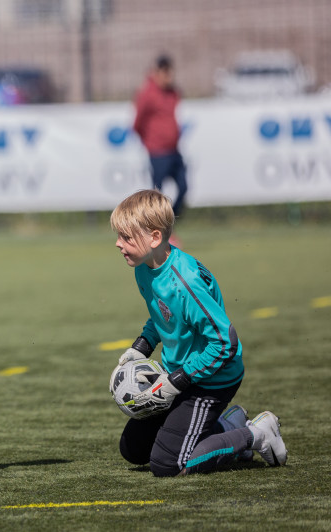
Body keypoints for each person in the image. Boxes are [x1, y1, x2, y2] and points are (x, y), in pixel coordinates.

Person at [110, 189, 287, 476]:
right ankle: (227, 425)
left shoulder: (185, 281)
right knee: (134, 450)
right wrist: (142, 345)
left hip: (211, 380)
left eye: (127, 237)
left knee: (169, 465)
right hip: (178, 375)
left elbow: (224, 342)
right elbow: (163, 313)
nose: (118, 244)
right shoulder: (144, 268)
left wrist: (178, 380)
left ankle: (255, 435)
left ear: (155, 238)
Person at [133, 55, 188, 220]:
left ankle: (169, 224)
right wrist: (151, 141)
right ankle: (155, 228)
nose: (169, 77)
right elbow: (138, 123)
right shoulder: (147, 94)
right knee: (157, 195)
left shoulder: (173, 93)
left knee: (184, 187)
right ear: (157, 72)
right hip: (157, 150)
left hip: (174, 150)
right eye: (166, 73)